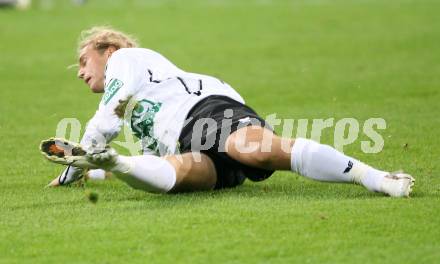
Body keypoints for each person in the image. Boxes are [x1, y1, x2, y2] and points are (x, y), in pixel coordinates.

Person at [49, 26, 414, 197]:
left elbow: (105, 117)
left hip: (206, 114)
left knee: (255, 150)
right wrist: (94, 171)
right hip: (186, 144)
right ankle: (116, 163)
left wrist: (76, 162)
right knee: (181, 174)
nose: (81, 72)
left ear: (108, 50)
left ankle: (373, 177)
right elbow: (153, 162)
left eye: (84, 61)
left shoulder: (125, 60)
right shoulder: (137, 112)